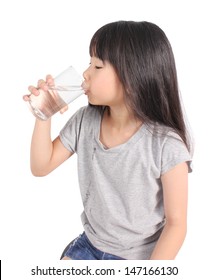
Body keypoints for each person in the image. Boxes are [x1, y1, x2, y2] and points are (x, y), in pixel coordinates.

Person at [23, 20, 193, 260]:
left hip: (138, 258)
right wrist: (44, 113)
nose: (85, 73)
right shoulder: (85, 121)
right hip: (89, 245)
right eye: (89, 63)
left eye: (97, 66)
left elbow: (176, 225)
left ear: (133, 75)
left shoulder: (166, 145)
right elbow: (41, 167)